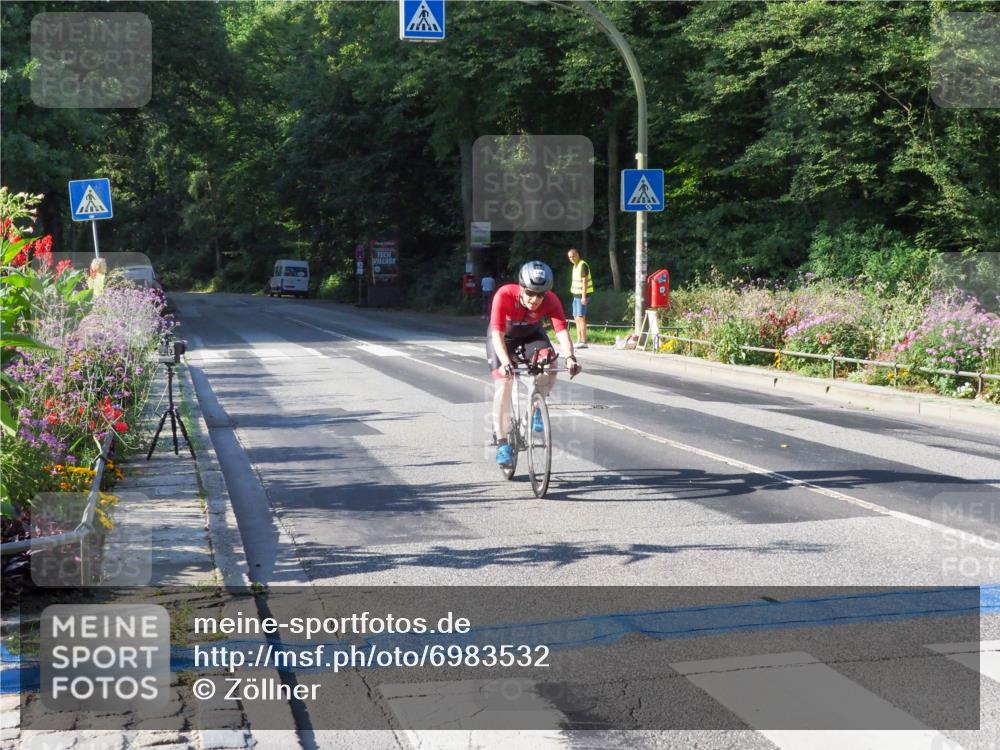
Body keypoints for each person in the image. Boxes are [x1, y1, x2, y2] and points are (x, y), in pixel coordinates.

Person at [487, 261, 581, 467]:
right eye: (530, 293)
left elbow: (561, 331)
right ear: (521, 287)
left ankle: (536, 405)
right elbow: (497, 334)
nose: (535, 299)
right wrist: (506, 362)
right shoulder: (504, 295)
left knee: (550, 364)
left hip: (531, 336)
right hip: (504, 339)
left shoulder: (551, 300)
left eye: (541, 295)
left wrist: (570, 357)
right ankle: (502, 444)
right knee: (504, 384)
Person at [567, 248, 593, 348]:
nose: (572, 258)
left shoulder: (583, 265)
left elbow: (584, 281)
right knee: (576, 318)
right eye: (570, 257)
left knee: (581, 318)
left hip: (582, 296)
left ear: (577, 254)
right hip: (575, 295)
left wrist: (583, 297)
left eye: (573, 256)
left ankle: (584, 341)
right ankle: (579, 339)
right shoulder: (575, 266)